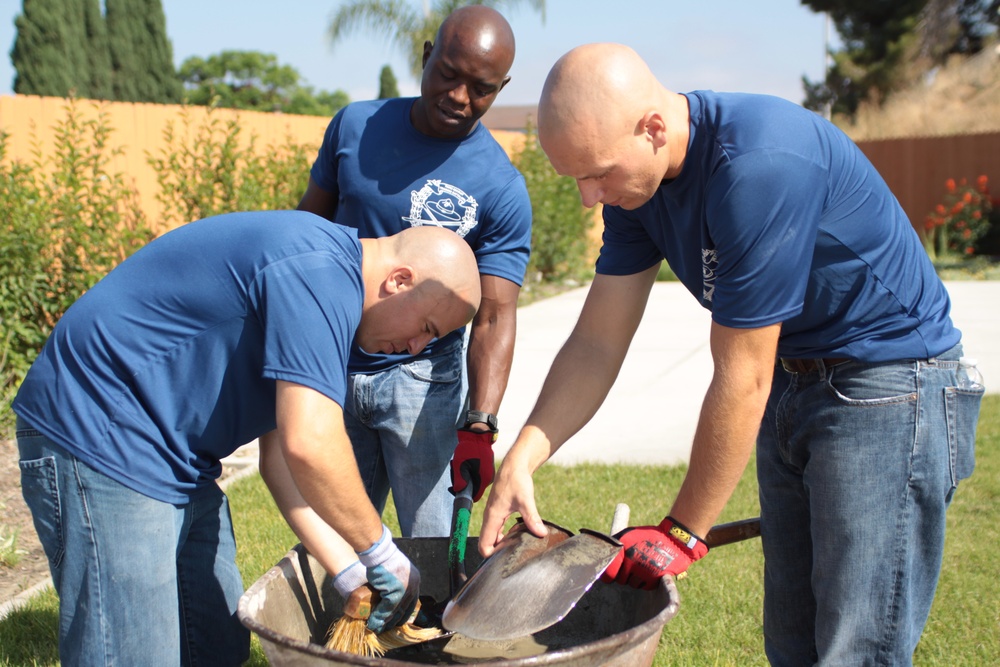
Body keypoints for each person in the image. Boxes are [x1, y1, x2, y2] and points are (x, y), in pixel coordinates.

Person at [479, 43, 983, 666]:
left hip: (889, 384)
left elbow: (742, 374)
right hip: (796, 383)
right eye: (576, 178)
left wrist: (682, 531)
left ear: (653, 128)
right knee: (795, 646)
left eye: (597, 173)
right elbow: (597, 341)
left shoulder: (758, 164)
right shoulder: (637, 188)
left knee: (857, 650)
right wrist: (524, 454)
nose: (588, 197)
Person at [13, 210, 481, 666]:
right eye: (426, 329)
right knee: (137, 654)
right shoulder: (317, 272)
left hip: (179, 457)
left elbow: (282, 463)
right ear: (399, 280)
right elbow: (310, 444)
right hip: (102, 435)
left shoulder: (331, 297)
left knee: (216, 645)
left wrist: (348, 569)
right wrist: (379, 550)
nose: (417, 350)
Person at [297, 5, 532, 537]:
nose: (459, 96)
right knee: (331, 541)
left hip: (422, 380)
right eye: (448, 74)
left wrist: (480, 422)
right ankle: (338, 624)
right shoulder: (355, 126)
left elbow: (495, 314)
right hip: (331, 363)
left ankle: (428, 623)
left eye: (482, 87)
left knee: (430, 544)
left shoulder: (500, 186)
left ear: (501, 88)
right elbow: (306, 233)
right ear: (428, 57)